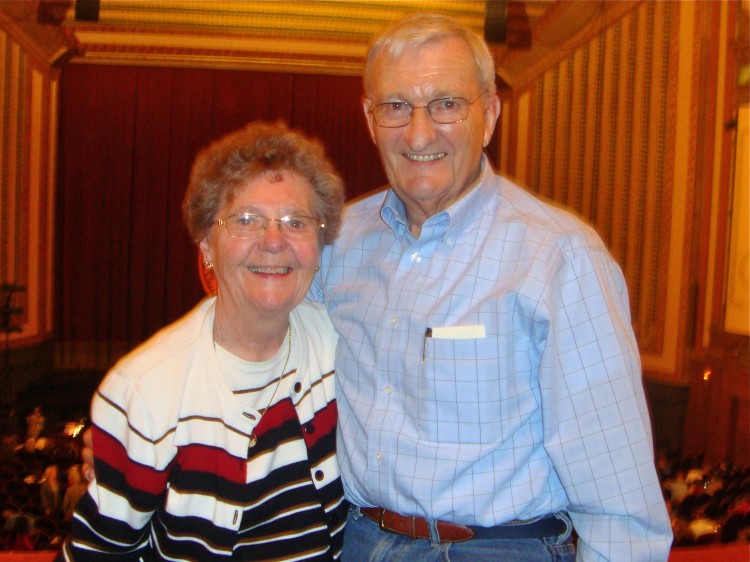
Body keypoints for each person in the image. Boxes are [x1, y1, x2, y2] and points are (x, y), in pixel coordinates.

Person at [309, 13, 673, 561]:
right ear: (369, 117)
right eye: (396, 106)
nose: (419, 133)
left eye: (446, 105)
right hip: (356, 540)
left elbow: (618, 498)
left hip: (495, 549)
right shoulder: (335, 243)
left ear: (490, 114)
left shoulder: (559, 257)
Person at [60, 121, 347, 560]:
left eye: (295, 221)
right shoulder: (147, 389)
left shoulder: (340, 343)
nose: (274, 241)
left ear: (320, 242)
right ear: (207, 245)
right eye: (246, 219)